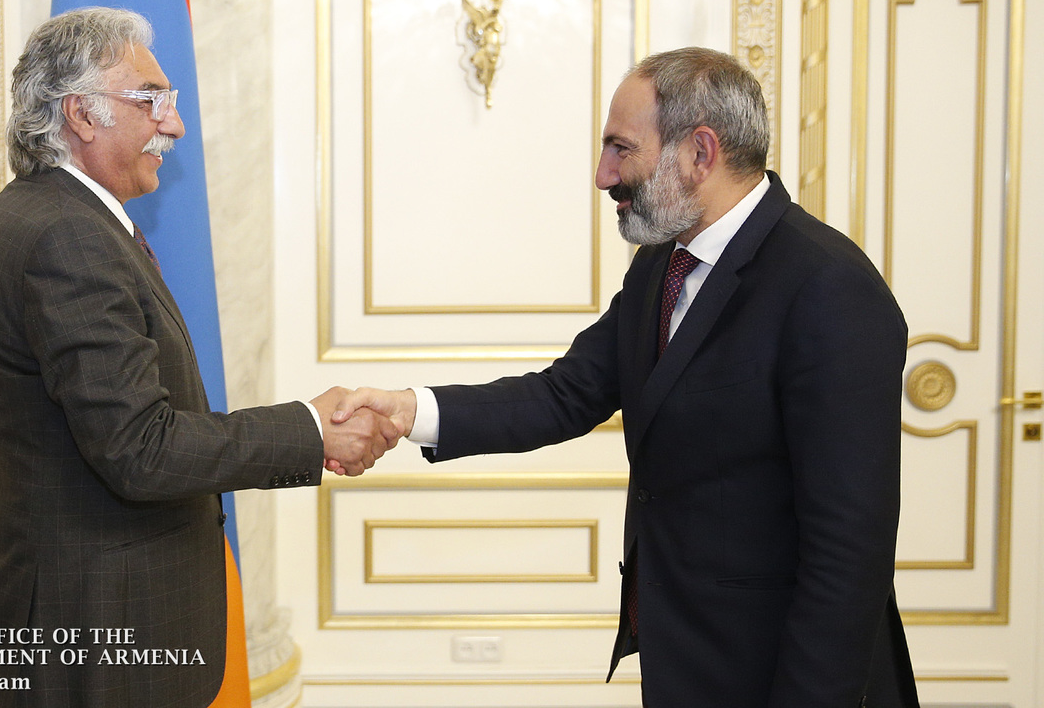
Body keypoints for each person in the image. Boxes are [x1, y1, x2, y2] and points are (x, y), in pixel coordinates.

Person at [332, 48, 920, 707]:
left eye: (621, 149)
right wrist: (409, 411)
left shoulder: (830, 288)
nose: (603, 176)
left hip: (788, 676)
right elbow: (565, 393)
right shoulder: (661, 265)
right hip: (685, 662)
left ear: (700, 153)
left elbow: (849, 556)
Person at [0, 7, 398, 708]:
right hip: (101, 637)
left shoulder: (49, 217)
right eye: (151, 100)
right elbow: (141, 449)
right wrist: (312, 429)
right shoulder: (66, 237)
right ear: (82, 114)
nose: (175, 125)